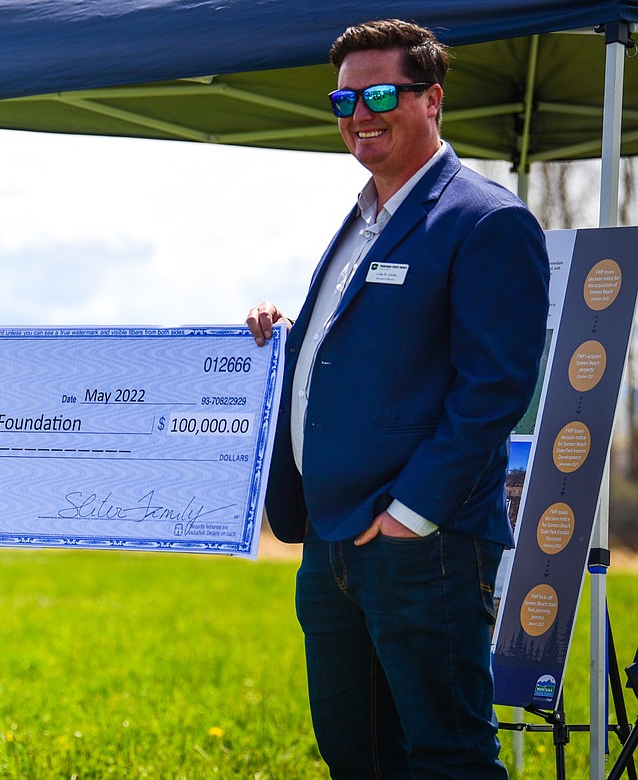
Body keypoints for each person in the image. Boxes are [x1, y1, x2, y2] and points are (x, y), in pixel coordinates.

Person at [244, 19, 550, 779]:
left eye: (380, 93)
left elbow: (496, 387)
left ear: (432, 99)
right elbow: (362, 345)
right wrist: (290, 334)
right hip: (331, 540)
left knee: (447, 758)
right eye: (342, 99)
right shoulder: (360, 218)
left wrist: (412, 515)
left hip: (425, 545)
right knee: (358, 755)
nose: (358, 113)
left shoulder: (488, 220)